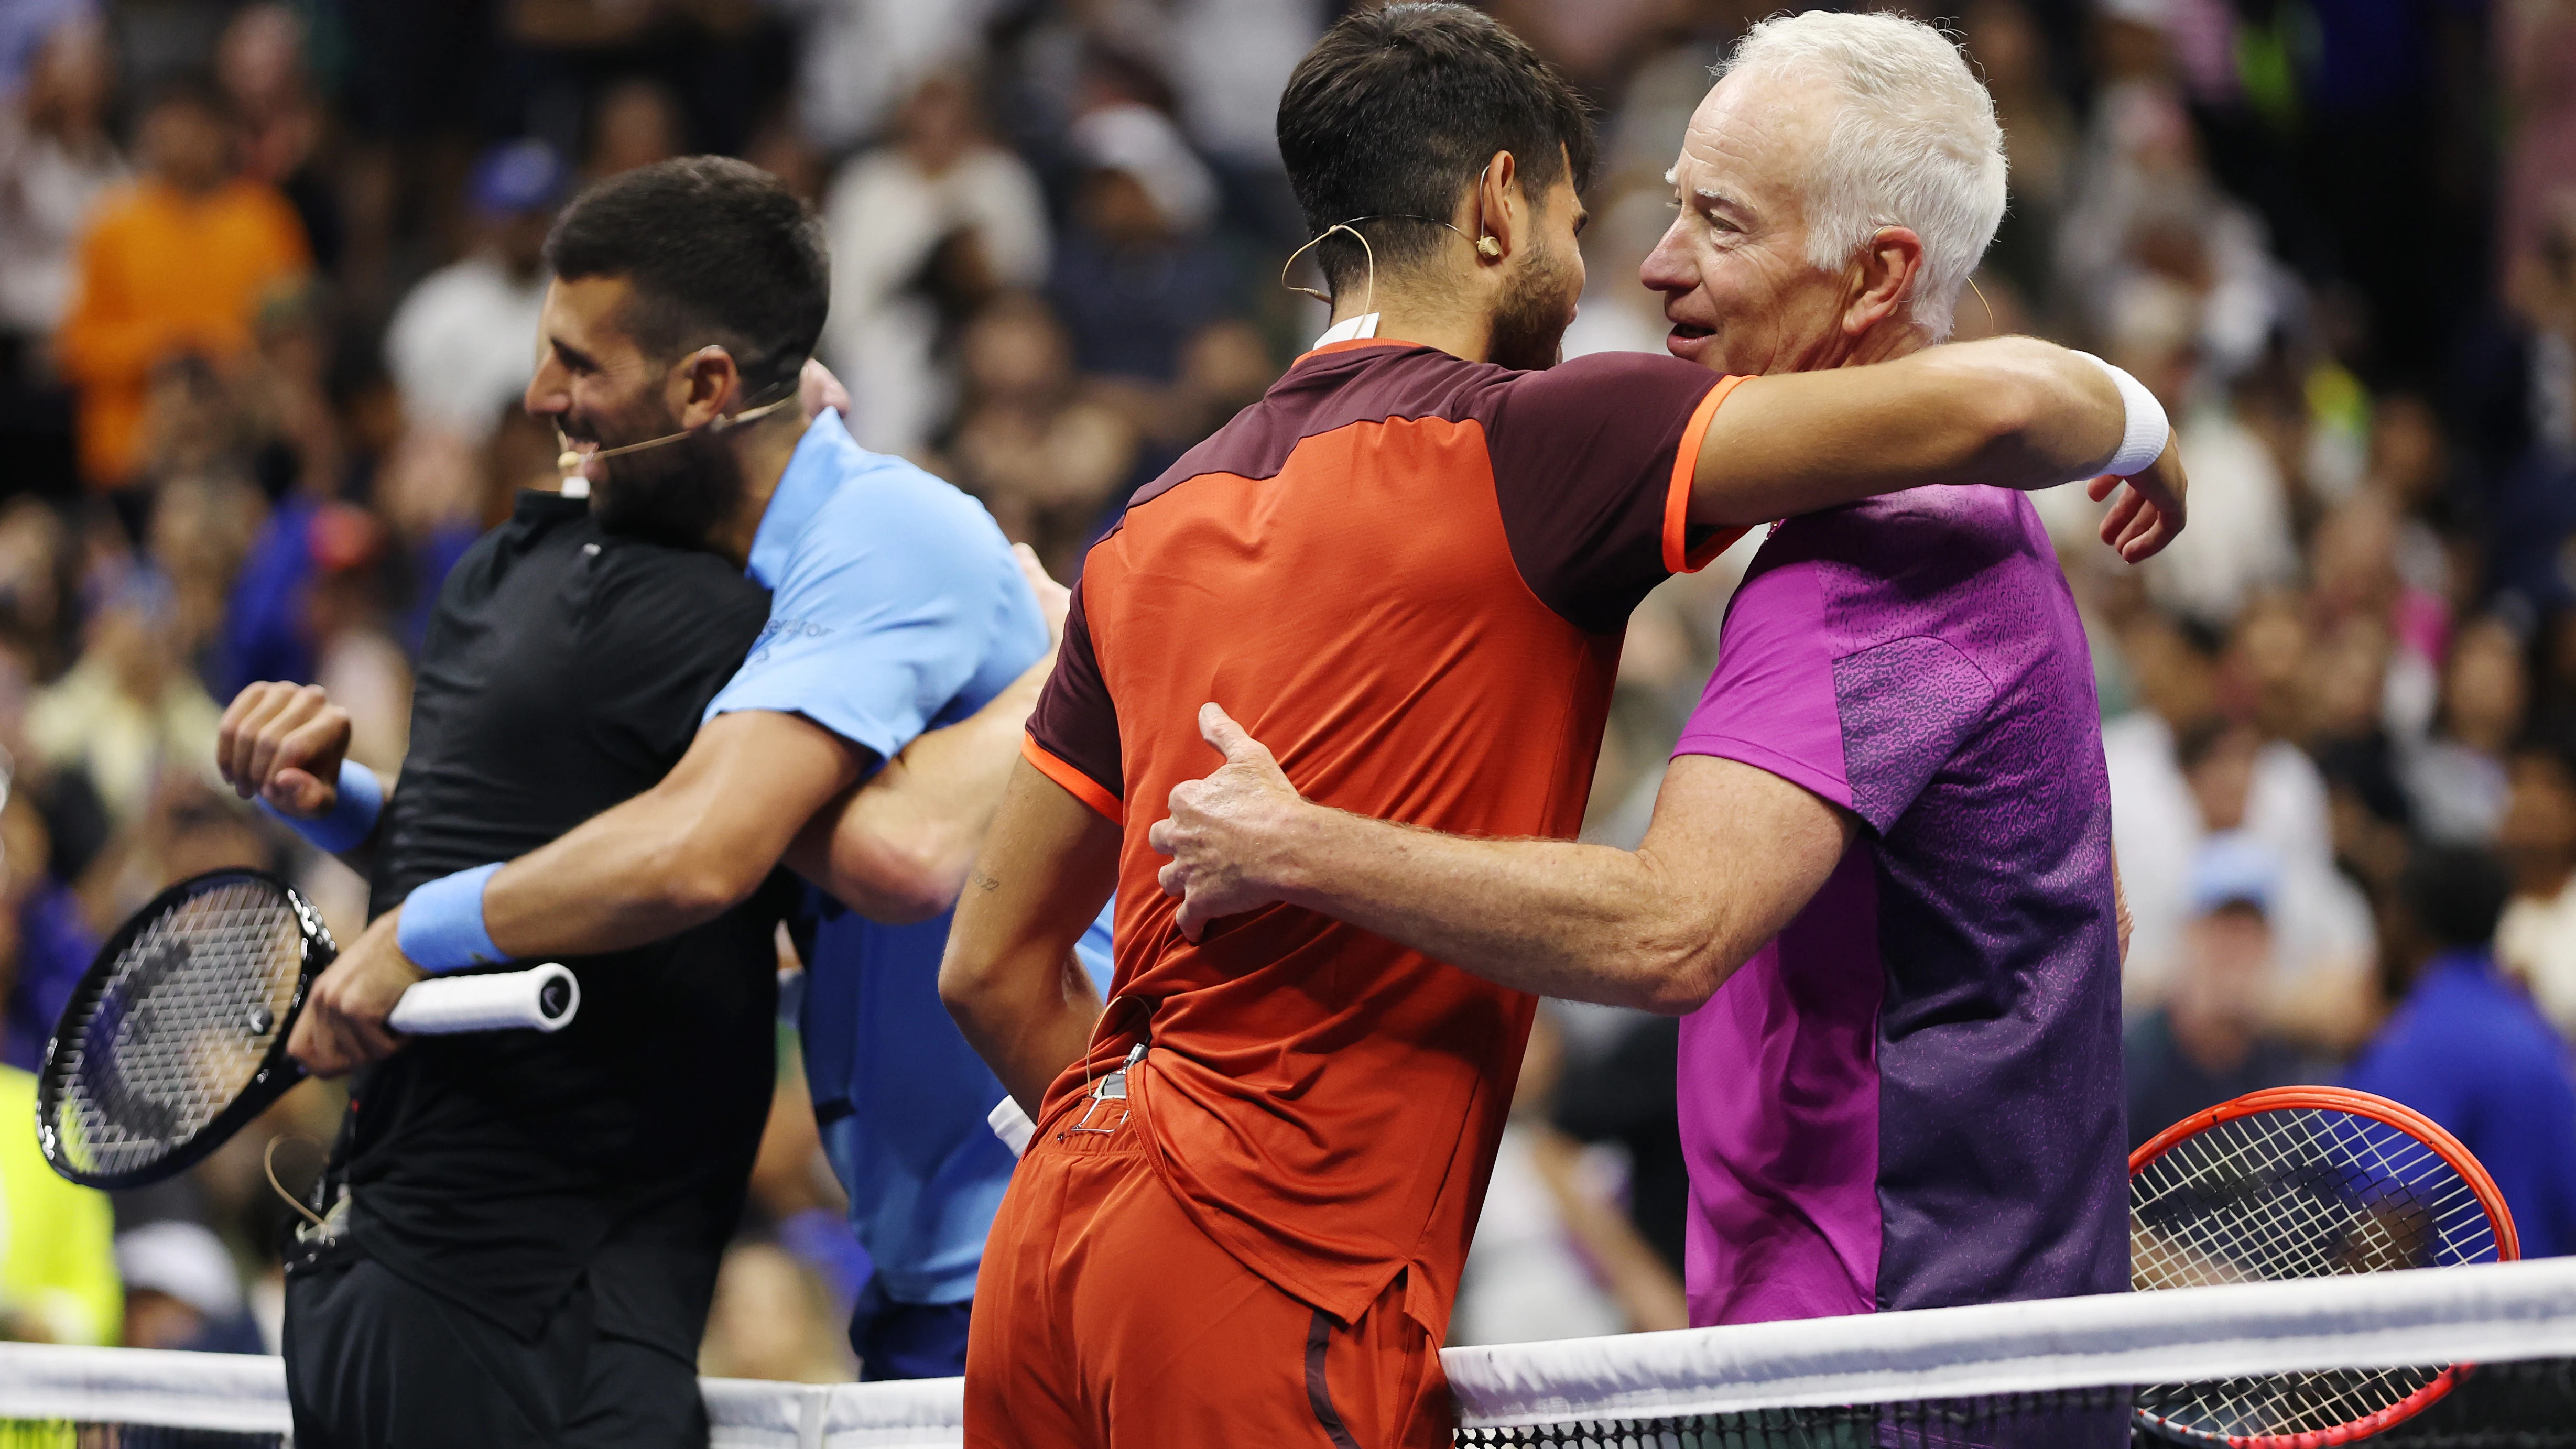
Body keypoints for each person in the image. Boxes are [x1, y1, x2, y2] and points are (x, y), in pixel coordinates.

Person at [940, 7, 2182, 1446]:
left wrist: (1146, 1165)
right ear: (1493, 210)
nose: (1643, 270)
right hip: (1284, 1261)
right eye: (1615, 217)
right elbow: (2011, 400)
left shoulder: (1146, 526)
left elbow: (985, 967)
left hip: (1062, 1238)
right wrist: (2147, 427)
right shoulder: (1548, 440)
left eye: (1711, 222)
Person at [240, 157, 1101, 1382]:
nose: (542, 395)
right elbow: (617, 868)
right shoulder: (712, 590)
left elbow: (728, 853)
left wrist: (423, 924)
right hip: (935, 1277)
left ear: (704, 389)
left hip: (1056, 1246)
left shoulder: (879, 533)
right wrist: (356, 813)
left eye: (582, 364)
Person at [53, 72, 307, 487]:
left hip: (245, 445)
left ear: (223, 133)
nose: (180, 141)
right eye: (167, 128)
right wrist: (164, 346)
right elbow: (78, 347)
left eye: (194, 127)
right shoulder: (114, 225)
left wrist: (224, 349)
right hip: (133, 452)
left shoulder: (264, 220)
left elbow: (296, 338)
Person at [2344, 846, 2576, 1259]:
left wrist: (2327, 1319)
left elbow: (2392, 1217)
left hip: (2453, 1320)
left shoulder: (2423, 1040)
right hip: (2543, 1315)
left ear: (2406, 919)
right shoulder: (2537, 1031)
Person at [2124, 836, 2324, 1150]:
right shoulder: (2129, 1065)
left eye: (2251, 932)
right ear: (2188, 934)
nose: (2236, 950)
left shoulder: (2288, 1075)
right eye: (2222, 928)